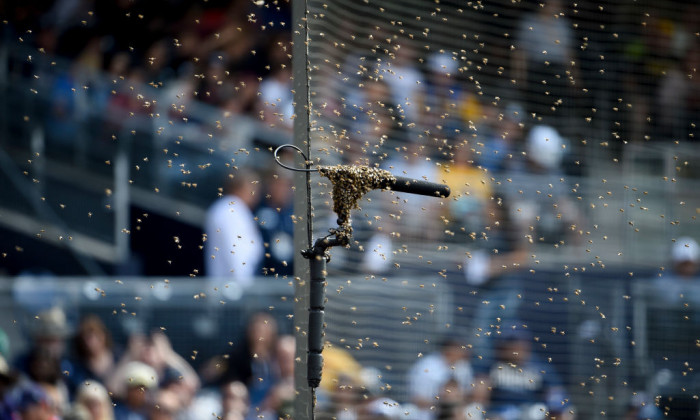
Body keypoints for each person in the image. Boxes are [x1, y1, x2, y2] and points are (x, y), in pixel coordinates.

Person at [475, 325, 573, 420]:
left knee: (563, 413)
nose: (515, 347)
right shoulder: (491, 365)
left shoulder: (540, 367)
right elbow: (479, 394)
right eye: (510, 343)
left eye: (518, 343)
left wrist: (554, 404)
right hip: (498, 411)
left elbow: (557, 394)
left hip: (532, 412)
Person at [204, 170, 264, 287]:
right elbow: (235, 251)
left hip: (228, 286)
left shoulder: (226, 208)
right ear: (239, 188)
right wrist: (244, 287)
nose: (256, 195)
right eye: (252, 188)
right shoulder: (231, 210)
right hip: (233, 289)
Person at [406, 337, 477, 420]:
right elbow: (417, 399)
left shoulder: (464, 367)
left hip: (456, 413)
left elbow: (468, 395)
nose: (463, 353)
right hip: (427, 414)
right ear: (449, 350)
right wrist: (443, 404)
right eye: (459, 349)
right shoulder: (426, 366)